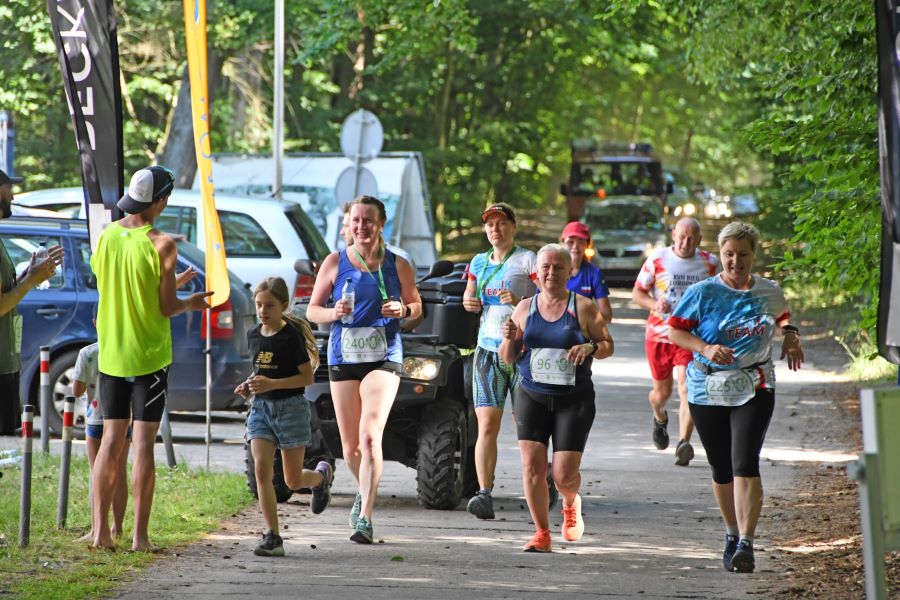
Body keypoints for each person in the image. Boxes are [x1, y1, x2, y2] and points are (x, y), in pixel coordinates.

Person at [668, 221, 804, 573]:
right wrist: (705, 348)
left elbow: (783, 318)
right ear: (720, 255)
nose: (735, 261)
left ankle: (747, 542)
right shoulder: (702, 292)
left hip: (754, 385)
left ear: (753, 256)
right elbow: (675, 331)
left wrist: (790, 334)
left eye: (743, 255)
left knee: (745, 461)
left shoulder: (769, 291)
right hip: (707, 387)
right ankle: (731, 532)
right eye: (729, 254)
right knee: (722, 467)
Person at [89, 166, 212, 550]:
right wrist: (188, 301)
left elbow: (120, 286)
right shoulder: (162, 244)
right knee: (142, 444)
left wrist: (169, 285)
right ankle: (139, 539)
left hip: (112, 354)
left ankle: (100, 533)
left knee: (110, 441)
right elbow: (165, 306)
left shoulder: (107, 236)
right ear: (160, 201)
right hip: (149, 358)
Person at [307, 195, 422, 544]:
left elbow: (417, 307)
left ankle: (366, 519)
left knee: (370, 435)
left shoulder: (398, 264)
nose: (362, 227)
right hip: (343, 356)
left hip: (384, 355)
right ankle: (362, 490)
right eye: (356, 220)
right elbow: (312, 310)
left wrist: (403, 310)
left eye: (368, 221)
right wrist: (333, 313)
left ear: (380, 224)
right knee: (351, 447)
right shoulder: (335, 262)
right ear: (349, 225)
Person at [499, 243, 613, 552]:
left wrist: (590, 347)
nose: (551, 273)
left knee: (563, 474)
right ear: (538, 273)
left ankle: (570, 501)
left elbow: (607, 345)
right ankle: (541, 532)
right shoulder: (524, 308)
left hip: (573, 399)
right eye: (546, 267)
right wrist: (509, 339)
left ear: (569, 272)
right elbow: (508, 357)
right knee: (533, 467)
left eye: (558, 267)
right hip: (531, 395)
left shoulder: (584, 307)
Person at [235, 277, 333, 557]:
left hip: (291, 408)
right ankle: (272, 536)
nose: (263, 311)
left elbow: (306, 376)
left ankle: (319, 479)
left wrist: (271, 384)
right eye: (258, 305)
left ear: (284, 306)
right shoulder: (254, 333)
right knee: (262, 469)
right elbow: (263, 370)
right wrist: (250, 383)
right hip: (261, 410)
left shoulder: (290, 336)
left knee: (291, 481)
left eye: (269, 305)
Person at [461, 202, 538, 520]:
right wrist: (469, 302)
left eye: (501, 223)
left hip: (524, 351)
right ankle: (484, 493)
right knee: (487, 424)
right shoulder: (478, 262)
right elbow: (469, 299)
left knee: (527, 426)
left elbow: (546, 298)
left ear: (512, 226)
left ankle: (538, 481)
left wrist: (522, 301)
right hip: (488, 350)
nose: (495, 229)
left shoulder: (528, 259)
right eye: (490, 225)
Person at [632, 217, 718, 465]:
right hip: (659, 334)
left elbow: (717, 294)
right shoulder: (658, 259)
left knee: (687, 387)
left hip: (689, 336)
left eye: (691, 238)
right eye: (681, 236)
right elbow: (638, 293)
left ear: (699, 240)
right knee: (662, 393)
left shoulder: (710, 263)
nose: (685, 242)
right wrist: (654, 303)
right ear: (673, 235)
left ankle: (684, 443)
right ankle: (659, 417)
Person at [0, 169, 63, 435]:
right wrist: (31, 280)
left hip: (6, 360)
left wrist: (29, 274)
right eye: (7, 190)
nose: (12, 196)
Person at [73, 304, 130, 543]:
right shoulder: (125, 350)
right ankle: (117, 527)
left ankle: (97, 529)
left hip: (96, 419)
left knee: (97, 472)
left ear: (95, 322)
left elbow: (77, 390)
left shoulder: (87, 353)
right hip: (122, 419)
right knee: (120, 472)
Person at [339, 203, 422, 331]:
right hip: (347, 344)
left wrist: (399, 329)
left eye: (345, 226)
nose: (342, 232)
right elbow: (314, 310)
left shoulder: (399, 259)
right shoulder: (338, 260)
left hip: (390, 343)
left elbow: (417, 311)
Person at [559, 221, 612, 323]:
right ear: (562, 243)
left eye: (581, 241)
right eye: (570, 242)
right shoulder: (551, 269)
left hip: (582, 332)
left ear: (587, 245)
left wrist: (582, 319)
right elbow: (538, 306)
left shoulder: (594, 273)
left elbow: (607, 315)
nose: (575, 246)